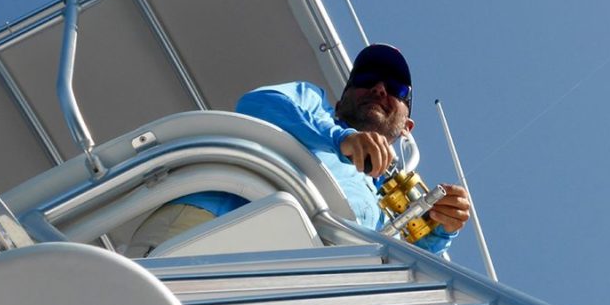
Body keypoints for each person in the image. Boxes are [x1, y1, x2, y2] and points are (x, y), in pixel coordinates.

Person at [127, 44, 470, 257]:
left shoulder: (387, 207)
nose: (379, 88)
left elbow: (408, 263)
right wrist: (341, 138)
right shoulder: (314, 107)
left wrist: (441, 228)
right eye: (366, 79)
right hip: (208, 228)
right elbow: (259, 104)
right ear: (341, 101)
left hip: (283, 284)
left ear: (407, 127)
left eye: (395, 88)